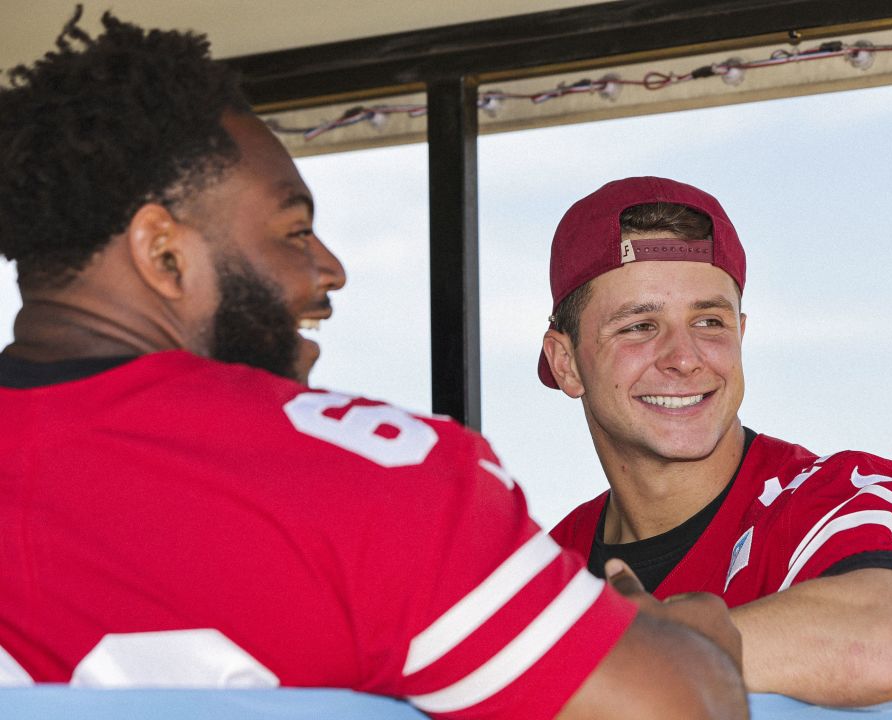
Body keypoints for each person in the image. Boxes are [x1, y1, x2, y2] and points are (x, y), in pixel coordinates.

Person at [0, 11, 748, 720]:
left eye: (711, 321)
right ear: (163, 252)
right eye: (294, 231)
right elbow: (684, 703)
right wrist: (697, 640)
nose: (330, 269)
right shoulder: (380, 483)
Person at [539, 176, 892, 707]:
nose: (685, 357)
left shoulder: (839, 496)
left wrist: (650, 650)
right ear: (566, 362)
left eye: (709, 321)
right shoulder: (547, 565)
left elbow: (883, 647)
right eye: (640, 326)